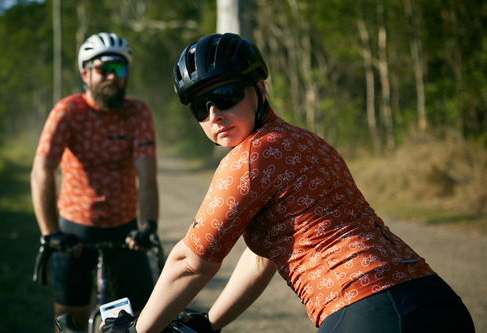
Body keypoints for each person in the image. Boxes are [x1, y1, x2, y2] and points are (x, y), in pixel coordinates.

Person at [102, 33, 475, 333]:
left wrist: (138, 330)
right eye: (202, 107)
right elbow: (263, 258)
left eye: (226, 96)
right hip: (435, 299)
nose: (215, 115)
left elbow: (190, 262)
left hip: (366, 309)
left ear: (259, 90)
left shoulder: (249, 158)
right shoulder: (306, 141)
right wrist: (210, 322)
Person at [30, 32, 159, 332]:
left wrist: (149, 226)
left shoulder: (137, 112)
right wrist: (50, 232)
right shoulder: (68, 111)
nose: (112, 78)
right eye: (104, 70)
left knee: (142, 321)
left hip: (125, 230)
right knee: (69, 323)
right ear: (85, 73)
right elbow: (42, 170)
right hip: (73, 229)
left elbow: (147, 176)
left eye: (120, 69)